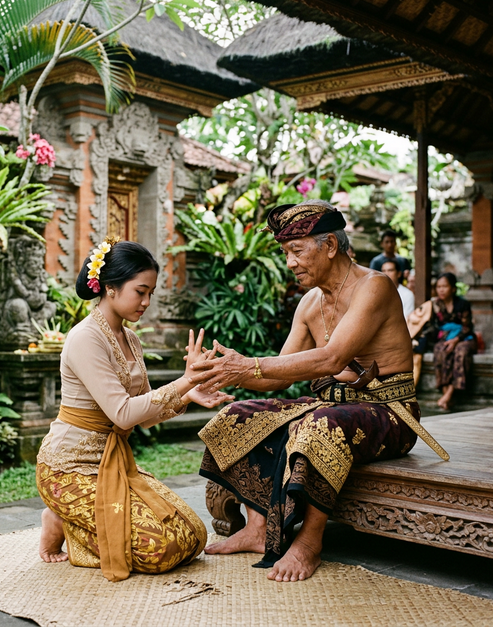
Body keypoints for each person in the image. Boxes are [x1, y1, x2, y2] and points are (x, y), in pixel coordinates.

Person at [190, 201, 447, 584]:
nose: (290, 263)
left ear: (330, 246)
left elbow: (332, 358)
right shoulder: (311, 302)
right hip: (331, 405)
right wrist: (223, 373)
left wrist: (248, 365)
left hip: (389, 412)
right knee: (238, 416)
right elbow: (276, 378)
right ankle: (258, 528)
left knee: (317, 425)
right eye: (286, 253)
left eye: (297, 251)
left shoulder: (374, 285)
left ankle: (309, 542)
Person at [36, 239, 233, 582]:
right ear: (110, 287)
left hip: (112, 463)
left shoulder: (131, 339)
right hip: (66, 466)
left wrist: (190, 394)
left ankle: (72, 520)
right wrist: (184, 382)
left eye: (151, 293)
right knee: (161, 550)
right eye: (140, 291)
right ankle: (64, 521)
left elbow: (145, 415)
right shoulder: (85, 338)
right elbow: (123, 414)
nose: (146, 302)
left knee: (192, 534)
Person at [410, 272, 476, 410]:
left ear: (453, 288)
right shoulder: (434, 305)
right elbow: (429, 326)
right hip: (444, 339)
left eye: (445, 286)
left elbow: (468, 328)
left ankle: (449, 395)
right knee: (440, 351)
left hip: (464, 338)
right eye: (439, 286)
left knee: (460, 352)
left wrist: (455, 340)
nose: (441, 289)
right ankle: (447, 397)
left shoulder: (463, 304)